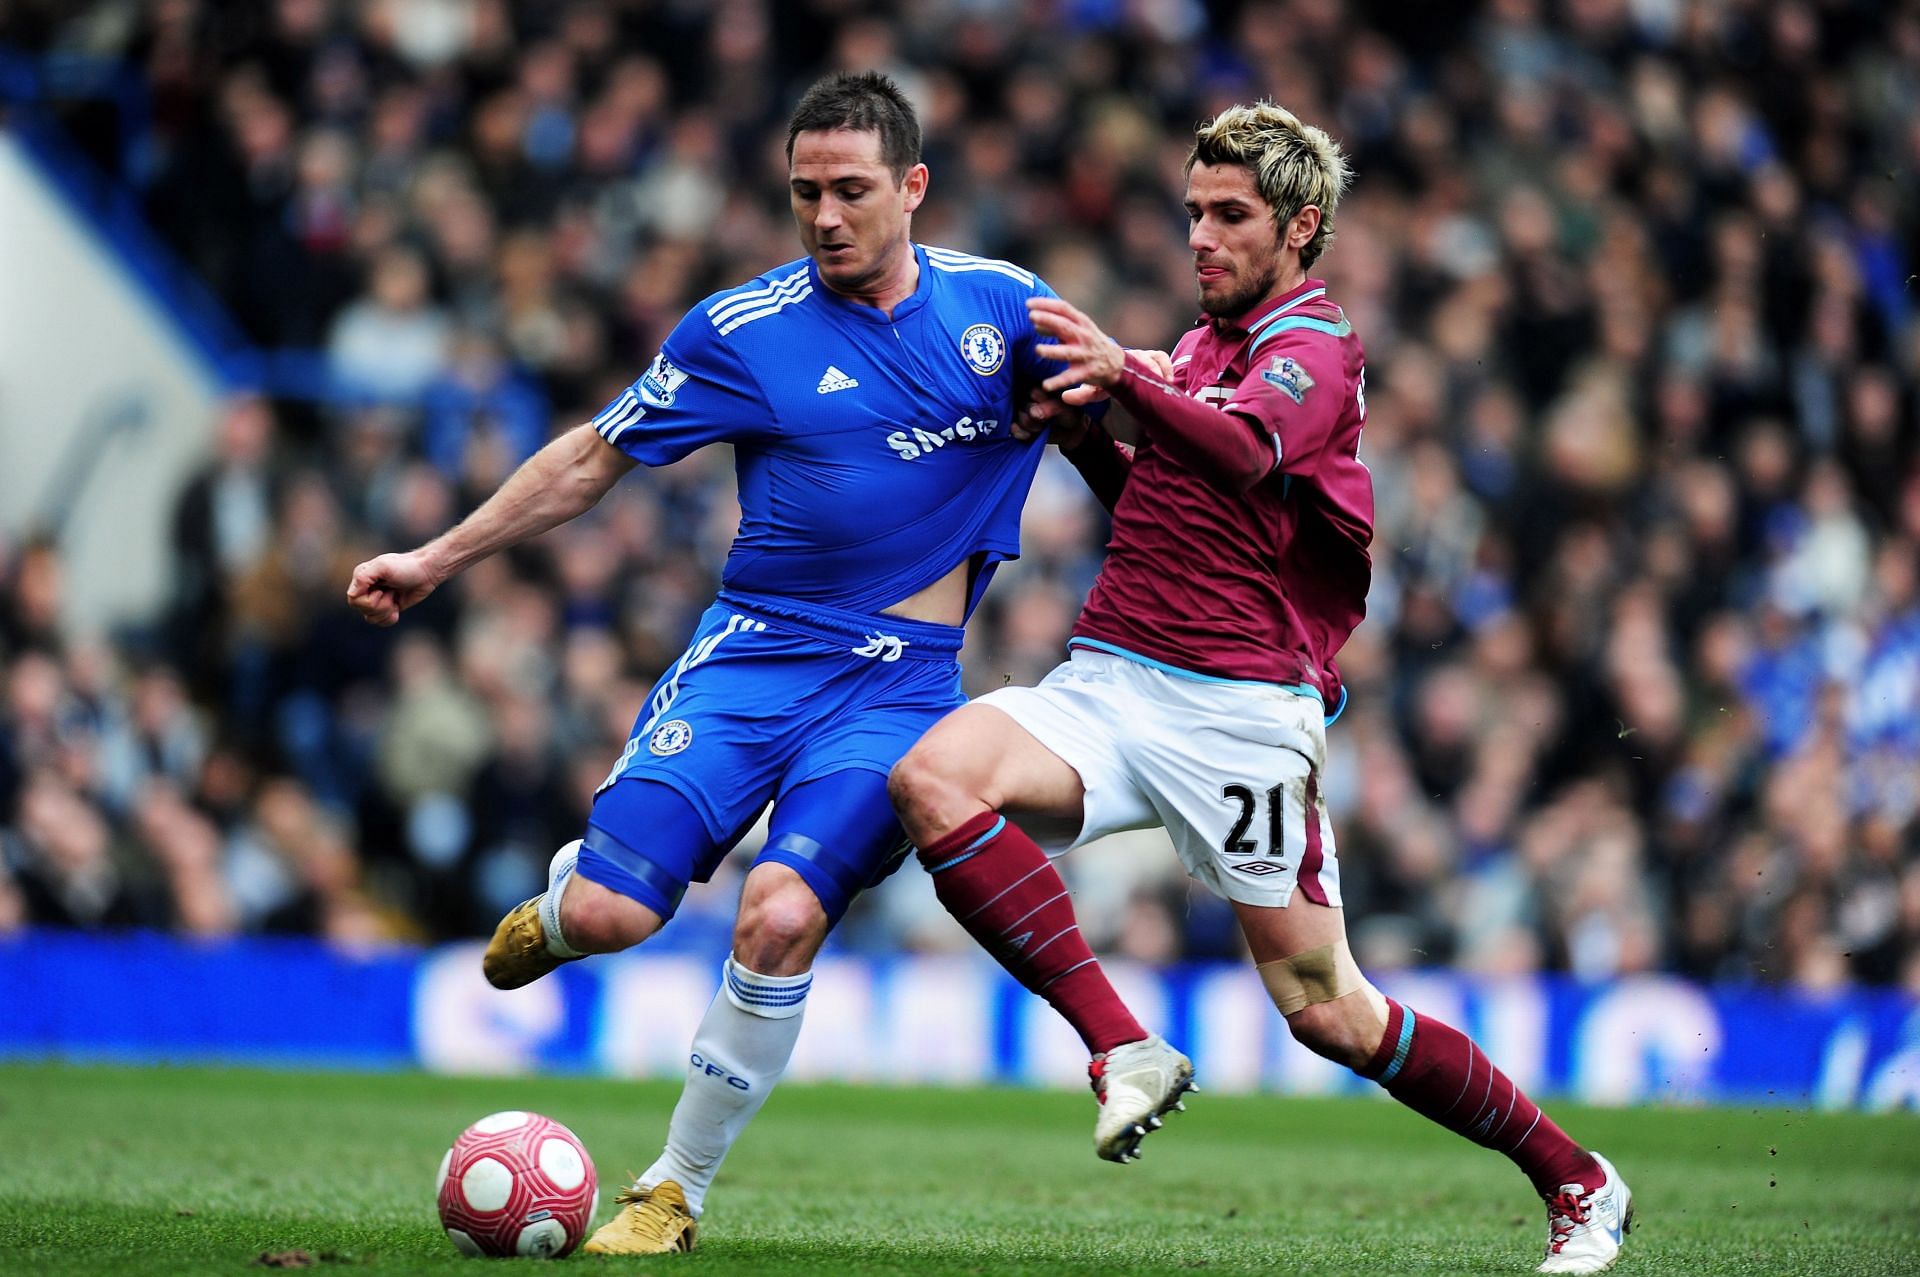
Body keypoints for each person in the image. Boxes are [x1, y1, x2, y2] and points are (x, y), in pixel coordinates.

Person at [345, 71, 1189, 1257]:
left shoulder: (1006, 311)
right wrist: (436, 556)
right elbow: (594, 458)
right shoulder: (743, 330)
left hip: (898, 690)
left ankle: (672, 1190)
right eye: (805, 194)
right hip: (753, 662)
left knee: (778, 912)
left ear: (914, 188)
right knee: (612, 908)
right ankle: (562, 907)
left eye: (852, 190)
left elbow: (1136, 424)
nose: (827, 216)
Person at [888, 102, 1634, 1276]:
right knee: (933, 776)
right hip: (1112, 680)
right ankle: (1122, 1045)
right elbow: (1163, 494)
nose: (1203, 235)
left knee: (1329, 1007)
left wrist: (1118, 372)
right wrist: (1083, 430)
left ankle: (1579, 1177)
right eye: (1193, 211)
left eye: (1231, 214)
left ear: (1302, 226)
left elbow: (1243, 450)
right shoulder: (1193, 351)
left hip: (1237, 715)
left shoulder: (1314, 347)